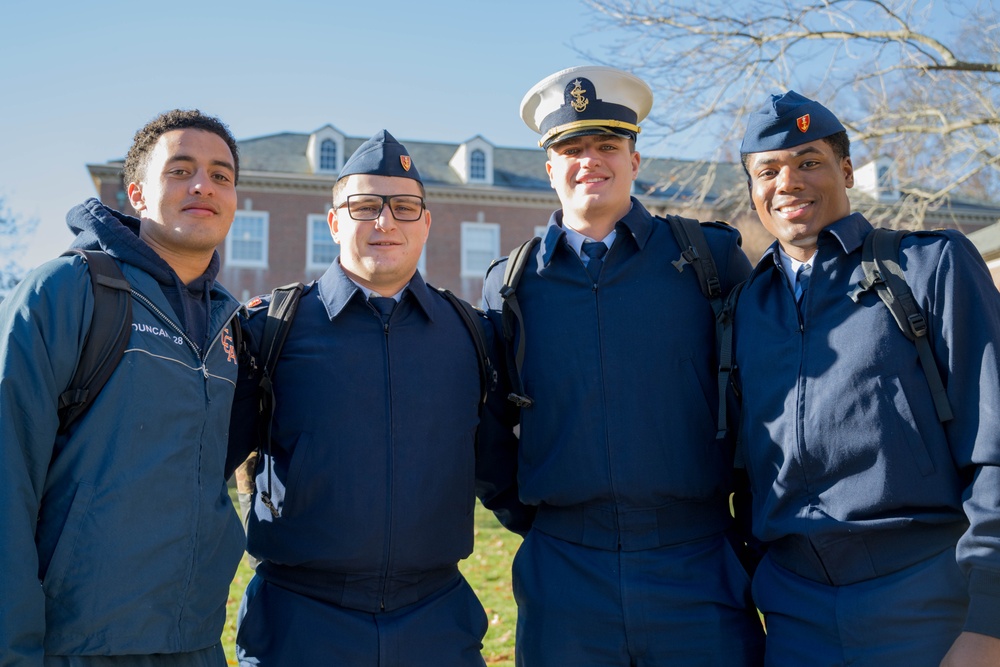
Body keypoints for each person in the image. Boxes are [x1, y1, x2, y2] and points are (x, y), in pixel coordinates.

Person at [481, 66, 765, 666]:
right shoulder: (510, 286)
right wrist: (528, 514)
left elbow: (760, 396)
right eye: (573, 148)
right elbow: (486, 422)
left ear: (635, 159)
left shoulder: (708, 262)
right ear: (549, 167)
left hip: (698, 561)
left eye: (608, 145)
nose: (592, 160)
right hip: (564, 570)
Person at [230, 130, 517, 666]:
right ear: (335, 222)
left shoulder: (469, 334)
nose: (385, 222)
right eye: (365, 207)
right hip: (300, 622)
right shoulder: (272, 329)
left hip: (436, 620)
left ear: (426, 224)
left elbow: (501, 469)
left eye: (405, 207)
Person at [733, 90, 1000, 666]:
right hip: (792, 611)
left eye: (809, 162)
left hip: (926, 600)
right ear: (753, 191)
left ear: (846, 170)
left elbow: (994, 445)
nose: (788, 183)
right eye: (768, 171)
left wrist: (990, 623)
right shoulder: (744, 308)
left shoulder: (929, 267)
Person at [0, 109, 244, 666]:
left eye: (221, 175)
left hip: (197, 645)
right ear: (136, 192)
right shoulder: (66, 292)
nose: (203, 185)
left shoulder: (233, 325)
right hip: (77, 648)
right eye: (179, 170)